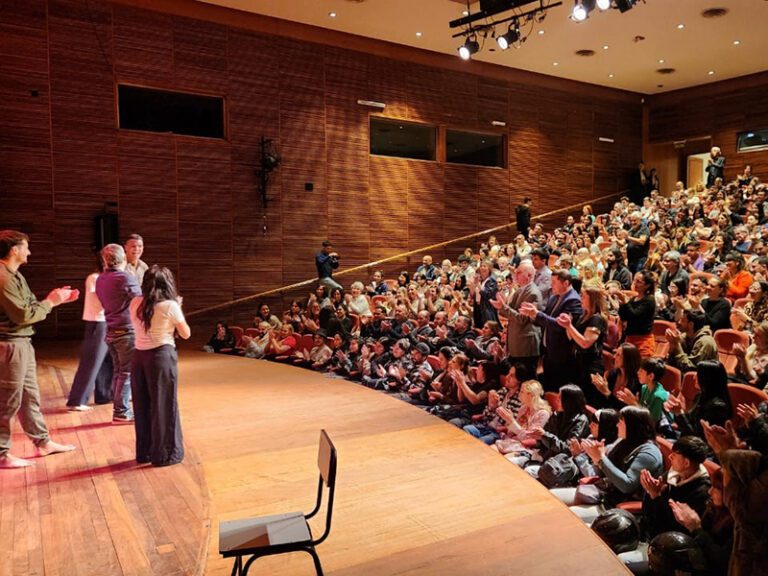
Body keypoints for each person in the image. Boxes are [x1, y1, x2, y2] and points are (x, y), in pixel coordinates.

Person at [0, 230, 79, 468]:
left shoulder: (15, 276)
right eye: (26, 247)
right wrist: (52, 302)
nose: (29, 252)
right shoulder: (2, 278)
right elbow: (24, 315)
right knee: (7, 401)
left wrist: (55, 299)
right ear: (14, 250)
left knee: (28, 397)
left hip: (22, 343)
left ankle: (43, 442)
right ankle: (1, 453)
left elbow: (31, 305)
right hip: (10, 345)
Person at [129, 266, 190, 466]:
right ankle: (164, 454)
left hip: (138, 357)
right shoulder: (169, 305)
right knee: (164, 405)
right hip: (161, 357)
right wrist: (178, 308)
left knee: (143, 405)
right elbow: (185, 333)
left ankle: (145, 452)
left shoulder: (135, 303)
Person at [95, 243, 142, 424]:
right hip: (126, 331)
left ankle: (119, 409)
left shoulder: (100, 279)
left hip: (111, 330)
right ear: (123, 258)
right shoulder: (125, 278)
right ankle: (121, 412)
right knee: (127, 373)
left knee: (119, 372)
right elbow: (141, 301)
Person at [522, 270, 583, 391]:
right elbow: (545, 318)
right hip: (548, 351)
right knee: (547, 386)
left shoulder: (573, 300)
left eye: (554, 282)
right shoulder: (554, 297)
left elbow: (561, 325)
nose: (551, 285)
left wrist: (537, 314)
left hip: (561, 354)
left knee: (556, 388)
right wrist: (532, 315)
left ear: (565, 283)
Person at [66, 258, 114, 410]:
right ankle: (77, 400)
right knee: (91, 361)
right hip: (97, 322)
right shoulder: (94, 278)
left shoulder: (107, 278)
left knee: (106, 360)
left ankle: (104, 394)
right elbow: (99, 300)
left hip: (108, 321)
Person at [491, 260, 542, 378]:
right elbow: (509, 312)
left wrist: (504, 307)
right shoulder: (520, 290)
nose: (515, 274)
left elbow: (522, 319)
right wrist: (502, 305)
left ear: (529, 275)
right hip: (517, 345)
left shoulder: (533, 292)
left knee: (525, 380)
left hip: (525, 346)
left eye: (519, 272)